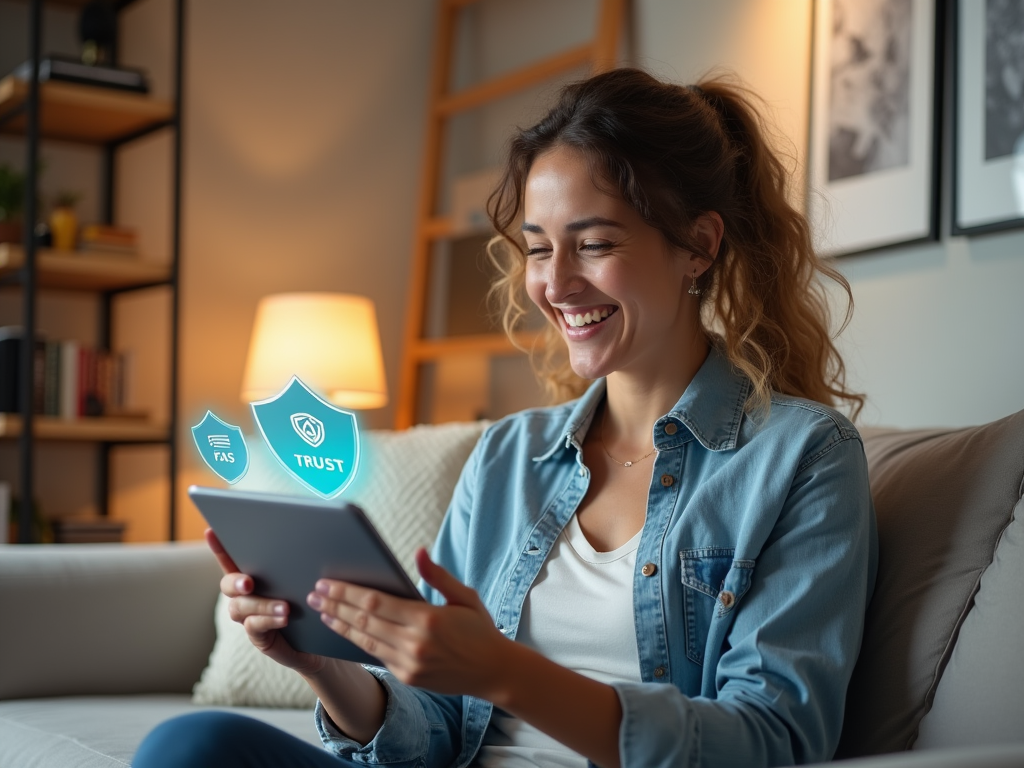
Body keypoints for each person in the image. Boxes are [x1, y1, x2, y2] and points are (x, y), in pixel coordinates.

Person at [134, 68, 877, 768]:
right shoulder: (509, 456)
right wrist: (323, 665)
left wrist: (507, 672)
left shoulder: (803, 457)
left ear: (699, 246)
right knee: (191, 747)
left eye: (594, 244)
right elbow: (435, 728)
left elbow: (774, 740)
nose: (556, 284)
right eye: (537, 249)